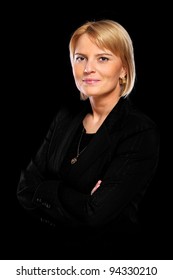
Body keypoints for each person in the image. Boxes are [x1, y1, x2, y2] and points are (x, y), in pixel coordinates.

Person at [17, 19, 160, 236]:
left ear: (123, 69)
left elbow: (96, 214)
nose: (88, 68)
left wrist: (46, 189)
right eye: (80, 58)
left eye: (102, 58)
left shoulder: (139, 132)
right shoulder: (65, 117)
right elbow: (24, 190)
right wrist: (81, 198)